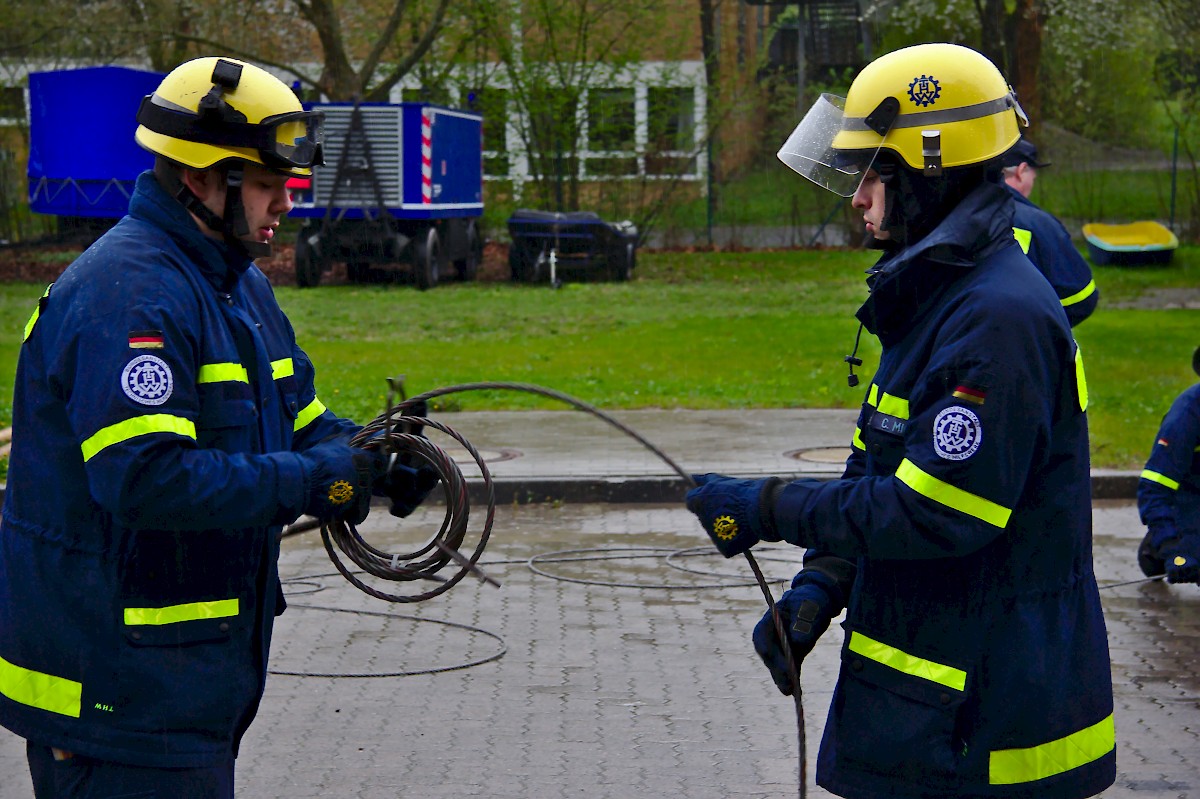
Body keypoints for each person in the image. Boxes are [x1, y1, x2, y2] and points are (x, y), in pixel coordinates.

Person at [685, 43, 1115, 798]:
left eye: (871, 175)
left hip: (984, 732)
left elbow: (934, 509)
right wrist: (819, 584)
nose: (855, 199)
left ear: (931, 174)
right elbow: (882, 467)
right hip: (929, 714)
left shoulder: (994, 320)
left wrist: (766, 506)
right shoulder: (934, 292)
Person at [0, 57, 437, 798]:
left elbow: (301, 419)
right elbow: (145, 478)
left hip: (181, 694)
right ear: (200, 179)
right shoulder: (130, 296)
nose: (285, 205)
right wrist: (315, 479)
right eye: (268, 185)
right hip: (118, 705)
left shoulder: (237, 283)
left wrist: (374, 453)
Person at [1002, 136, 1099, 326]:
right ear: (1021, 171)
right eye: (1033, 176)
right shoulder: (1037, 224)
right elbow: (1081, 297)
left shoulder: (950, 211)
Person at [1136, 346, 1200, 583]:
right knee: (1188, 558)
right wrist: (1174, 548)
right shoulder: (1187, 415)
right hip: (1190, 500)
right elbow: (1155, 487)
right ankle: (1157, 548)